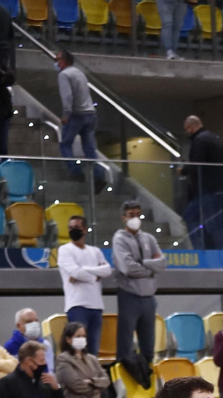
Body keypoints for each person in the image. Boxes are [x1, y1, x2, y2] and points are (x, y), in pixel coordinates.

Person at [111, 201, 167, 377]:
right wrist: (150, 269)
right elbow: (127, 268)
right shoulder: (119, 239)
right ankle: (125, 384)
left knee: (148, 346)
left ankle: (146, 380)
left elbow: (162, 263)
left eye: (137, 214)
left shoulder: (149, 238)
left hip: (149, 298)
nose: (135, 218)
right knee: (126, 346)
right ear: (123, 217)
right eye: (131, 215)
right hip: (129, 296)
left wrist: (143, 263)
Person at [58, 214, 110, 356]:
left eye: (76, 227)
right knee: (77, 348)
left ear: (85, 229)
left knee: (93, 350)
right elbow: (75, 272)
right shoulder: (65, 250)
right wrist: (95, 275)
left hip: (96, 306)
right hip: (77, 305)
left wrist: (84, 270)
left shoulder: (95, 251)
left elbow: (107, 270)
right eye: (70, 228)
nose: (73, 230)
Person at [182, 115, 223, 250]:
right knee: (212, 223)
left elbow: (196, 165)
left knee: (208, 223)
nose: (188, 132)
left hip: (207, 190)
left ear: (191, 127)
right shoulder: (216, 138)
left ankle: (210, 252)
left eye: (187, 129)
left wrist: (183, 170)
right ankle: (213, 251)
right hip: (221, 188)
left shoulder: (199, 140)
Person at [56, 322, 107, 398]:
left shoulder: (92, 359)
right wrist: (96, 387)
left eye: (83, 336)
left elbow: (106, 380)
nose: (82, 339)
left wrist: (92, 382)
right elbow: (75, 384)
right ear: (68, 339)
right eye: (78, 336)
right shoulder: (63, 359)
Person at [55, 52, 100, 183]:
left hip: (76, 115)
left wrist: (66, 114)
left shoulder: (64, 75)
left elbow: (67, 96)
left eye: (57, 60)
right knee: (89, 148)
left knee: (65, 144)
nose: (56, 62)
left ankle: (76, 172)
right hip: (90, 113)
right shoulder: (80, 73)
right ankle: (98, 175)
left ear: (63, 61)